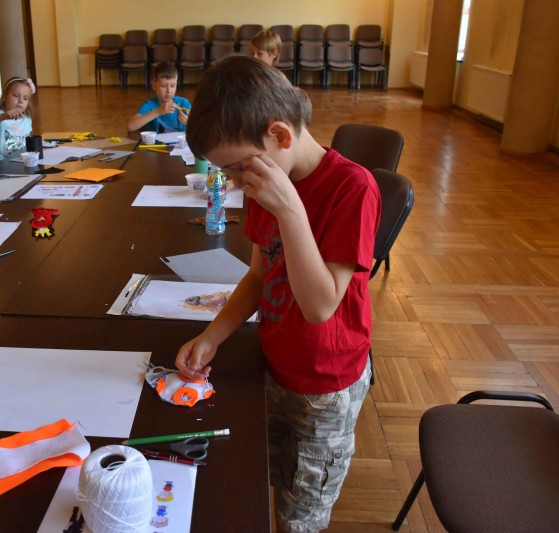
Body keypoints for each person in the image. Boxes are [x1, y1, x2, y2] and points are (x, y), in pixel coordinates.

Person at [175, 56, 381, 533]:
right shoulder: (264, 181)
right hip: (274, 364)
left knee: (299, 516)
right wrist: (212, 336)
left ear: (280, 136)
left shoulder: (352, 188)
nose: (233, 182)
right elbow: (258, 275)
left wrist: (290, 211)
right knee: (261, 479)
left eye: (235, 168)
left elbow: (320, 306)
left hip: (325, 386)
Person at [0, 77, 35, 166]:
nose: (21, 101)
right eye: (16, 96)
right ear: (4, 96)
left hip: (20, 164)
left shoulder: (27, 119)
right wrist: (2, 117)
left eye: (25, 98)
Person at [127, 62, 190, 133]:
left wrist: (188, 123)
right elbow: (130, 126)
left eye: (173, 86)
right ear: (154, 85)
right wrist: (159, 111)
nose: (169, 91)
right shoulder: (149, 105)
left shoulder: (183, 103)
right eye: (163, 86)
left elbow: (198, 126)